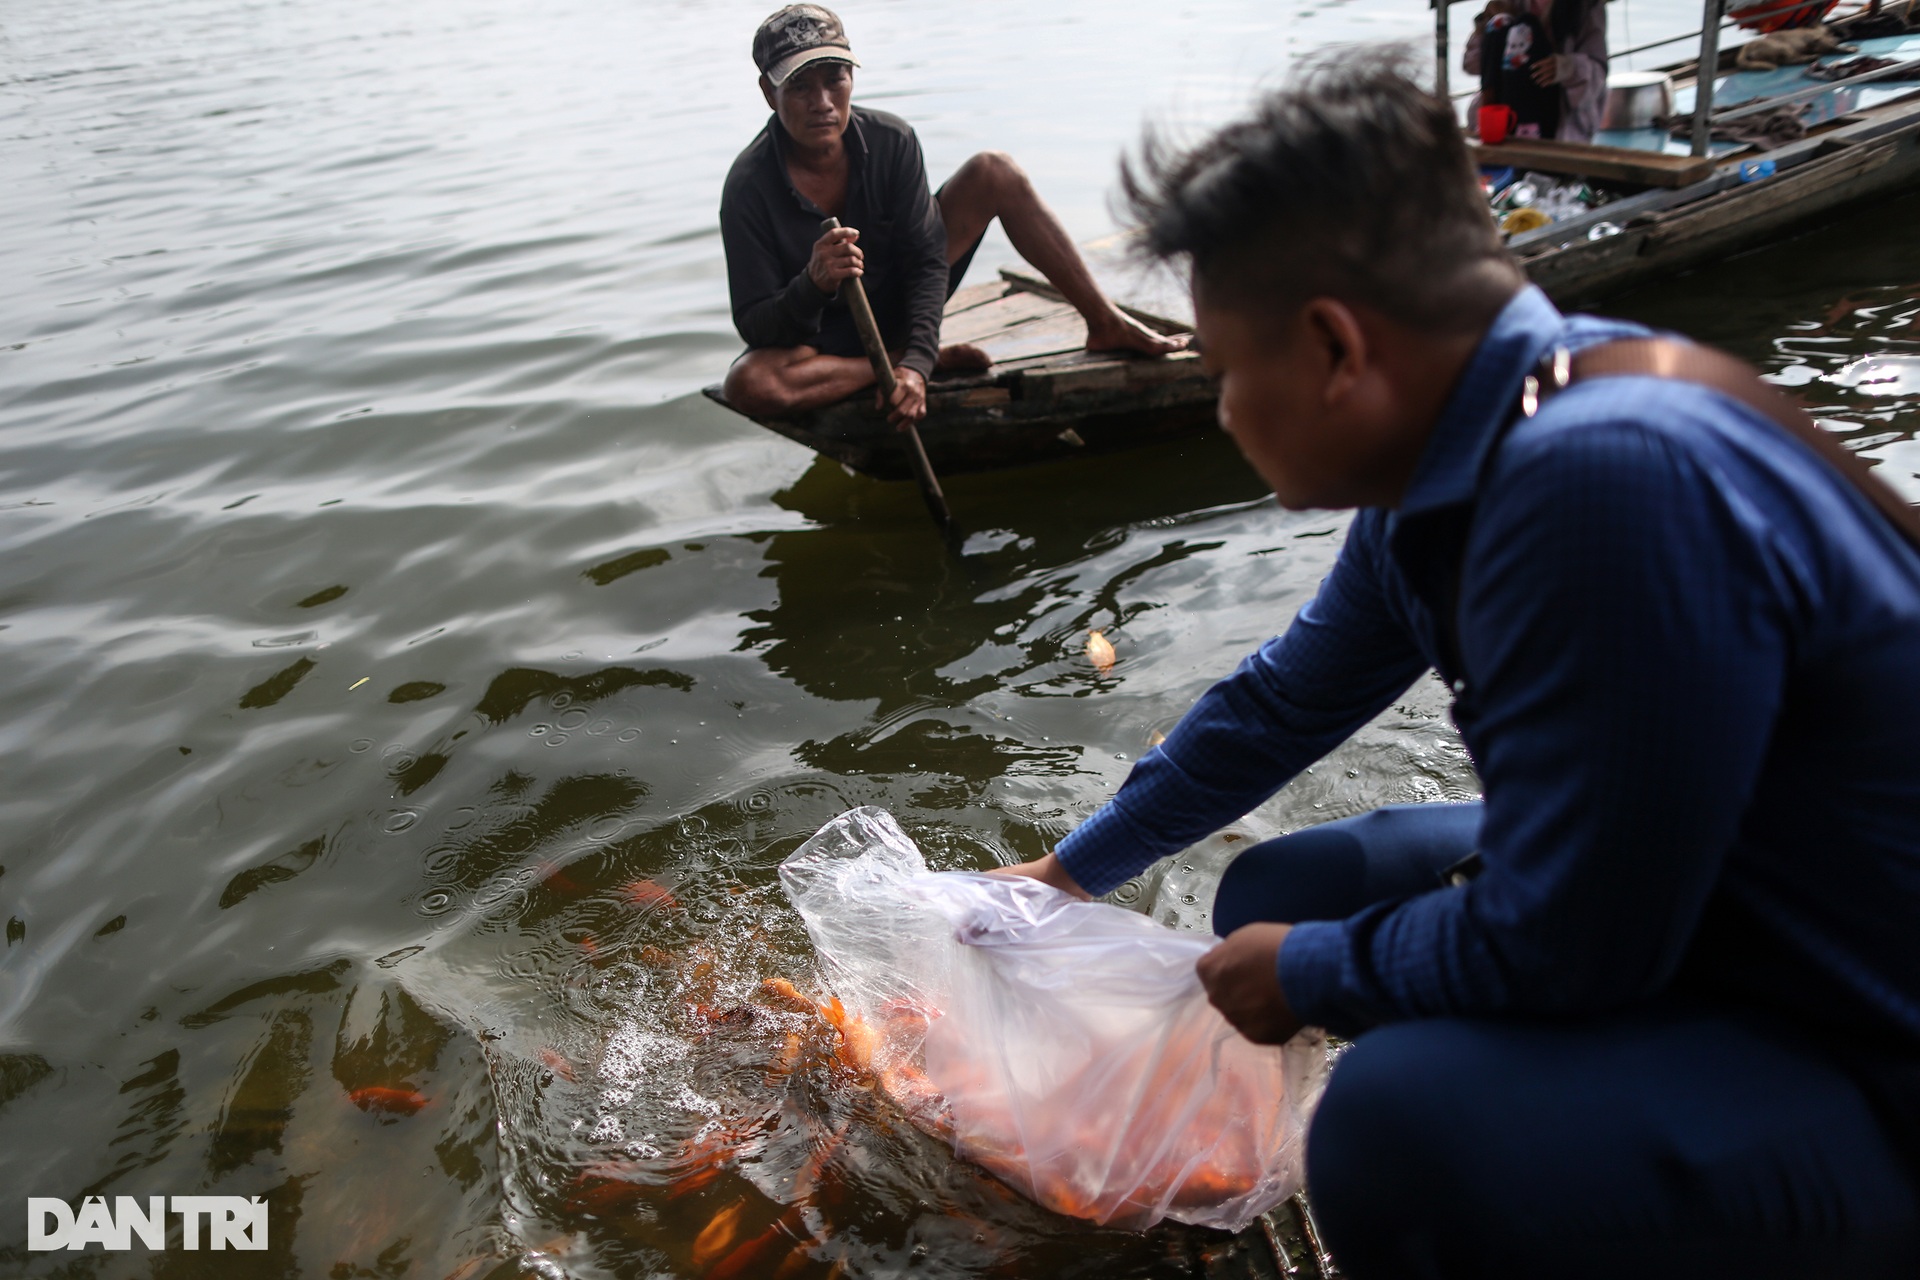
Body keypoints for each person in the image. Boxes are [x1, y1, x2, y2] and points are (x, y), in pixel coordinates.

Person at [991, 50, 1920, 1279]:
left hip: (1866, 1030)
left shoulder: (1604, 480)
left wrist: (1319, 972)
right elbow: (1279, 705)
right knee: (1279, 887)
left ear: (1332, 347)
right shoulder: (1475, 458)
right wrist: (1066, 874)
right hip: (1713, 894)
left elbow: (1581, 943)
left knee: (1393, 1127)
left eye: (1223, 373)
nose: (1222, 411)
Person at [718, 5, 1183, 429]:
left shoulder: (891, 140)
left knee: (994, 172)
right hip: (823, 345)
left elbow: (925, 263)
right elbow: (757, 326)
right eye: (799, 86)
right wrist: (814, 284)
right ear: (768, 92)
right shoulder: (747, 187)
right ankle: (900, 359)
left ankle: (1106, 322)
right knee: (748, 385)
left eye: (834, 78)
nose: (822, 101)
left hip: (900, 305)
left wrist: (914, 369)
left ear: (852, 80)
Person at [1466, 0, 1608, 141]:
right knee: (1502, 21)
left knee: (1525, 22)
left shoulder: (1586, 7)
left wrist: (1565, 67)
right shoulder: (1508, 4)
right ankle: (1489, 121)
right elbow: (1472, 63)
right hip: (1503, 116)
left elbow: (1598, 77)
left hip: (1558, 125)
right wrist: (1486, 25)